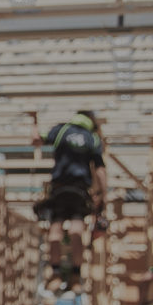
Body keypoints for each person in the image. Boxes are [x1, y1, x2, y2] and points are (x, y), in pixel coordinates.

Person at [30, 110, 107, 290]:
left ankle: (55, 273)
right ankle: (75, 275)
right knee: (77, 230)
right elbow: (100, 169)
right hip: (80, 190)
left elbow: (36, 140)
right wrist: (103, 194)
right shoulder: (92, 138)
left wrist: (34, 119)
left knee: (55, 229)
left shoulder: (61, 130)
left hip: (59, 188)